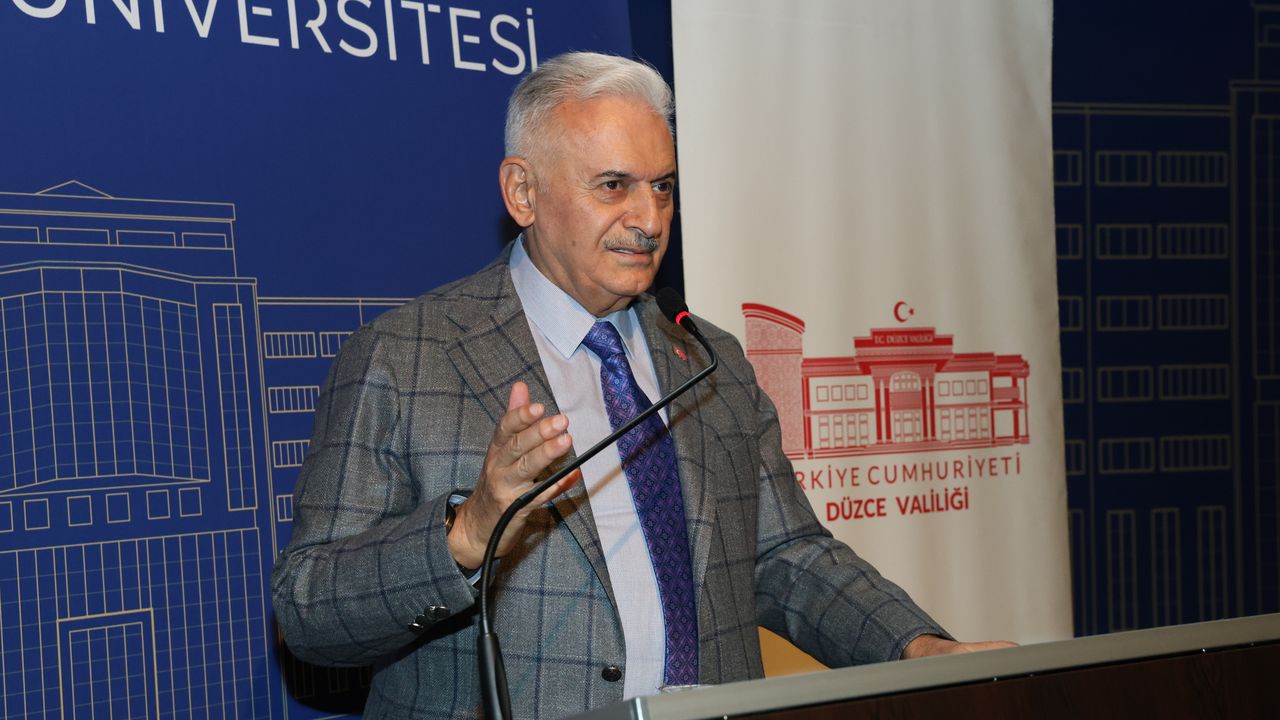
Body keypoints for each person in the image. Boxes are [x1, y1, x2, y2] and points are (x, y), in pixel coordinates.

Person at [271, 51, 1011, 719]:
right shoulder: (406, 357)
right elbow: (307, 611)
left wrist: (916, 649)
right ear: (523, 192)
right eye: (613, 186)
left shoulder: (708, 359)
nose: (650, 219)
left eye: (662, 187)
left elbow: (787, 555)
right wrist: (466, 535)